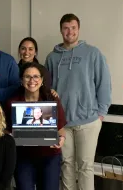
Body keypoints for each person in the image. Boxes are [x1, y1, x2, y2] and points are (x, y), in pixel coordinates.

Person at [45, 13, 112, 190]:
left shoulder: (93, 53)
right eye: (66, 28)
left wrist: (101, 114)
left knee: (85, 168)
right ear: (61, 30)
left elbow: (103, 83)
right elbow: (46, 89)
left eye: (73, 28)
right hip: (62, 123)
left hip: (88, 121)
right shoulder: (52, 57)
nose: (70, 31)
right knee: (66, 165)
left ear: (78, 29)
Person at [5, 62, 66, 190]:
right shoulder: (12, 102)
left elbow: (61, 130)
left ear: (42, 80)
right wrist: (11, 136)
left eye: (36, 76)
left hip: (50, 156)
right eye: (27, 77)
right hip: (23, 157)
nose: (32, 80)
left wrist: (61, 139)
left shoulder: (52, 99)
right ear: (21, 80)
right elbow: (5, 130)